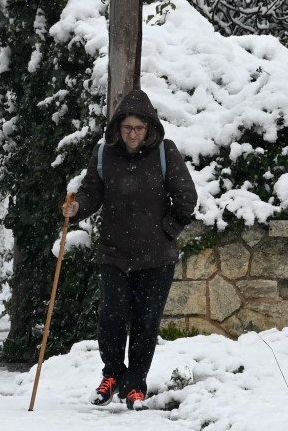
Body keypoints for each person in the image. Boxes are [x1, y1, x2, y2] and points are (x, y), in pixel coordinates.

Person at [62, 89, 197, 410]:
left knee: (145, 322)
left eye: (139, 128)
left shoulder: (166, 152)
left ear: (149, 127)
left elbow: (187, 197)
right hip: (114, 253)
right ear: (117, 129)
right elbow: (92, 192)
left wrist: (167, 230)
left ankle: (136, 384)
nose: (133, 134)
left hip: (157, 258)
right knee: (111, 317)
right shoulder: (104, 154)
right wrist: (76, 206)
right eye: (127, 128)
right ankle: (112, 376)